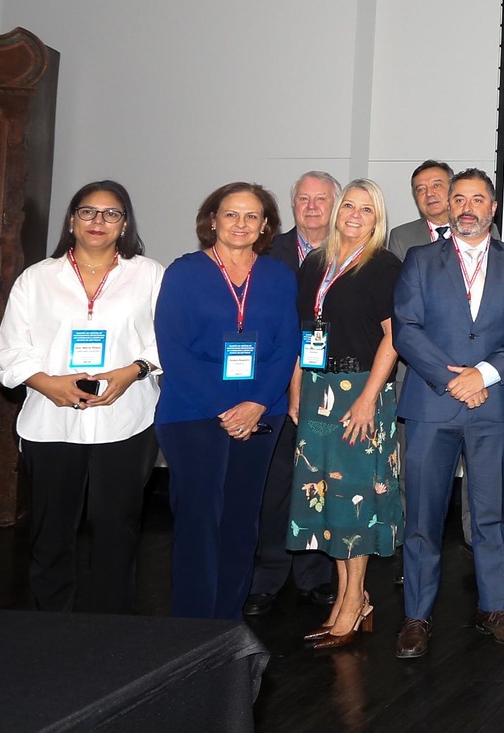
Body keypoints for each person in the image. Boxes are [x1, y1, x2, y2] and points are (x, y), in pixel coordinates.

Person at [389, 168, 504, 658]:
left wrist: (484, 374)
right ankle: (416, 617)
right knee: (422, 516)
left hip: (494, 406)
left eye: (477, 199)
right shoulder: (418, 259)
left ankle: (494, 608)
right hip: (431, 405)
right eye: (458, 198)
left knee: (491, 516)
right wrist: (453, 377)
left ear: (492, 207)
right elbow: (406, 328)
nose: (466, 207)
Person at [0, 181, 163, 613]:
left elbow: (167, 341)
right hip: (50, 423)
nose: (98, 222)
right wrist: (47, 383)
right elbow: (9, 350)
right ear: (71, 220)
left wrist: (133, 371)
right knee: (50, 535)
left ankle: (112, 628)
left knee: (116, 532)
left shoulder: (150, 275)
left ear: (125, 225)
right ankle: (52, 628)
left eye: (111, 214)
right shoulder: (37, 278)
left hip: (126, 421)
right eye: (88, 212)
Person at [153, 182, 301, 620]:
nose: (241, 224)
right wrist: (227, 407)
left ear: (265, 226)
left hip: (261, 413)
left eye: (252, 216)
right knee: (200, 519)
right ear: (212, 220)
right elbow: (173, 349)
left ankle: (227, 622)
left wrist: (256, 402)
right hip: (192, 413)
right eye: (231, 214)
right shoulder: (183, 272)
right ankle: (193, 626)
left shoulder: (277, 276)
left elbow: (286, 346)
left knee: (241, 520)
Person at [289, 178, 404, 649]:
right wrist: (297, 389)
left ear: (378, 219)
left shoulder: (383, 266)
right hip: (317, 390)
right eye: (349, 207)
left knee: (355, 497)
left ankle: (354, 601)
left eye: (367, 210)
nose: (355, 215)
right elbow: (307, 332)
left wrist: (367, 398)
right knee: (330, 500)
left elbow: (394, 338)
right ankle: (347, 596)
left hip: (360, 391)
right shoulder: (316, 263)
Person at [248, 170, 341, 615]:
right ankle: (267, 574)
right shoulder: (268, 252)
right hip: (275, 383)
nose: (311, 206)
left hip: (332, 387)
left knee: (319, 482)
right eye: (303, 198)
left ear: (335, 203)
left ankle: (314, 575)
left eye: (320, 199)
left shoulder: (351, 252)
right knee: (276, 483)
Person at [387, 160, 455, 259]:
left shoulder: (477, 229)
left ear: (454, 189)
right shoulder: (401, 236)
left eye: (436, 185)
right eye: (421, 189)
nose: (429, 193)